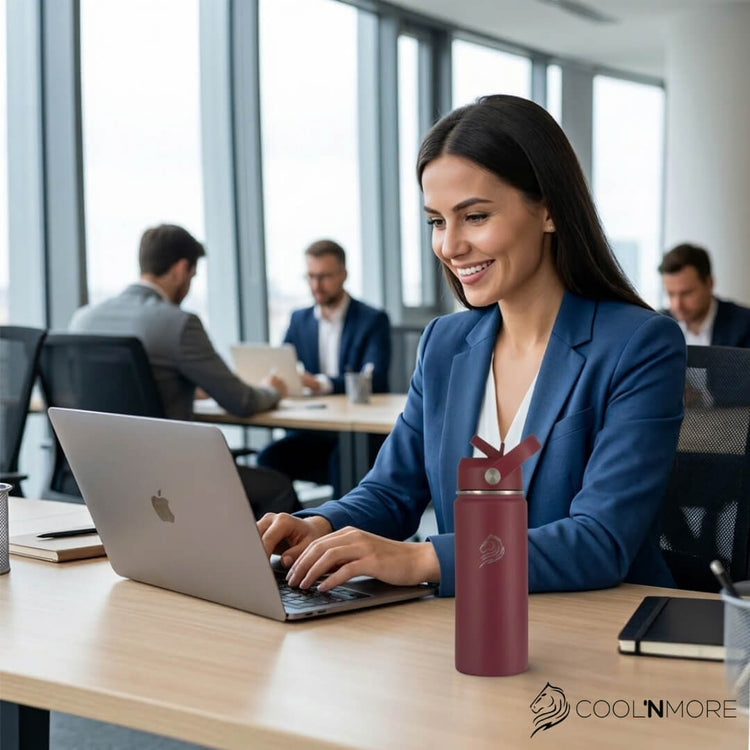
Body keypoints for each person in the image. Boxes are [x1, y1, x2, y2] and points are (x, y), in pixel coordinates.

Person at [257, 94, 686, 598]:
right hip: (465, 629)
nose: (449, 246)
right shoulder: (444, 344)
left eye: (475, 216)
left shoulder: (639, 345)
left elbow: (599, 540)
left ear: (547, 209)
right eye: (437, 221)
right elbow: (392, 489)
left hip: (593, 634)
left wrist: (421, 557)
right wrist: (320, 527)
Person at [69, 223, 300, 516]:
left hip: (94, 475)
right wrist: (272, 389)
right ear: (180, 269)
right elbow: (242, 401)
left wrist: (183, 386)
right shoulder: (177, 323)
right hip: (163, 480)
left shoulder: (83, 319)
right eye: (192, 275)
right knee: (278, 488)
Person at [256, 239, 391, 493]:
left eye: (325, 277)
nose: (316, 285)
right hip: (313, 430)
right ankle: (294, 529)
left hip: (358, 433)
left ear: (343, 275)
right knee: (268, 460)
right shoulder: (299, 319)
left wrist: (319, 383)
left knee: (343, 463)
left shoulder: (372, 319)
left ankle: (340, 529)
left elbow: (375, 379)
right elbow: (281, 364)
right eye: (311, 277)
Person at [658, 243, 750, 347]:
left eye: (686, 293)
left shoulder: (745, 326)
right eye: (670, 294)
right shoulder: (658, 326)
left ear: (709, 283)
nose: (677, 305)